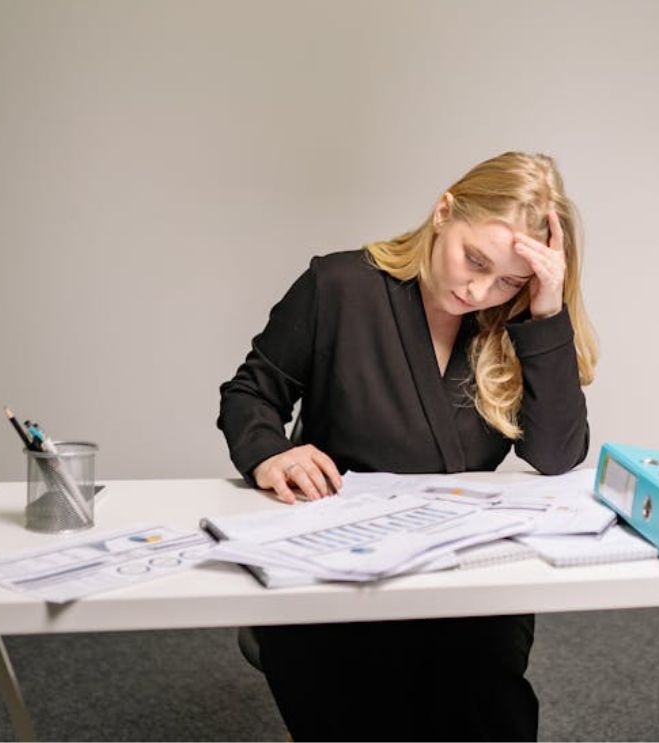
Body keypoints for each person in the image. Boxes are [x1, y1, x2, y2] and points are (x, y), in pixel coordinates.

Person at [216, 151, 597, 741]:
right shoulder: (339, 285)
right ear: (443, 211)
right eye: (474, 260)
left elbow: (556, 455)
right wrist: (271, 453)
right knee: (361, 702)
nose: (479, 290)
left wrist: (546, 309)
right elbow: (251, 393)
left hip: (462, 577)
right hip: (338, 568)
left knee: (481, 702)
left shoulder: (512, 322)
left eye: (509, 280)